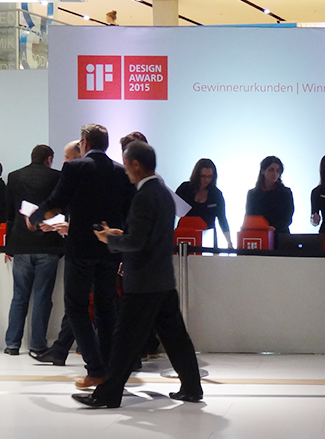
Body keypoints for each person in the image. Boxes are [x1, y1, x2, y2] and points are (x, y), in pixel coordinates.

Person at [74, 141, 203, 408]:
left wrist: (110, 240)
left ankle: (108, 394)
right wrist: (123, 236)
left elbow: (137, 243)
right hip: (162, 279)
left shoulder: (144, 196)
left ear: (135, 164)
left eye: (126, 164)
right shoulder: (164, 193)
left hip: (143, 282)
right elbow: (149, 237)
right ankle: (192, 387)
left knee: (124, 341)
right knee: (176, 337)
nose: (125, 170)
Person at [28, 124, 135, 390]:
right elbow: (127, 212)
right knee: (106, 308)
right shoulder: (120, 173)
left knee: (76, 308)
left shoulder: (75, 168)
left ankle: (95, 369)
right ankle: (110, 368)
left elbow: (57, 201)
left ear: (84, 142)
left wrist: (36, 217)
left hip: (81, 249)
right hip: (109, 249)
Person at [2, 145, 62, 357]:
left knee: (19, 296)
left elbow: (10, 213)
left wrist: (8, 245)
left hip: (21, 243)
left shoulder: (15, 177)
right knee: (42, 297)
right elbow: (62, 208)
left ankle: (12, 343)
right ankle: (37, 345)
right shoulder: (57, 177)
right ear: (49, 159)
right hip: (48, 243)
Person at [29, 140, 82, 367]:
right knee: (77, 305)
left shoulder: (82, 179)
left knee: (81, 305)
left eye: (68, 158)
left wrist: (37, 217)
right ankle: (60, 350)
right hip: (82, 249)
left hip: (86, 252)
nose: (64, 163)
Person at [176, 159, 233, 248]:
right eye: (203, 176)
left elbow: (222, 219)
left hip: (207, 238)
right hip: (184, 236)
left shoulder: (216, 194)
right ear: (196, 175)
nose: (206, 180)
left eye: (210, 176)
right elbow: (171, 210)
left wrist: (229, 242)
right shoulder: (184, 189)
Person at [246, 156, 294, 234]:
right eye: (271, 170)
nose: (275, 174)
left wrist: (273, 228)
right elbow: (250, 217)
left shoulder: (285, 192)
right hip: (259, 234)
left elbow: (287, 218)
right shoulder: (252, 194)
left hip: (280, 235)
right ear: (263, 171)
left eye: (277, 171)